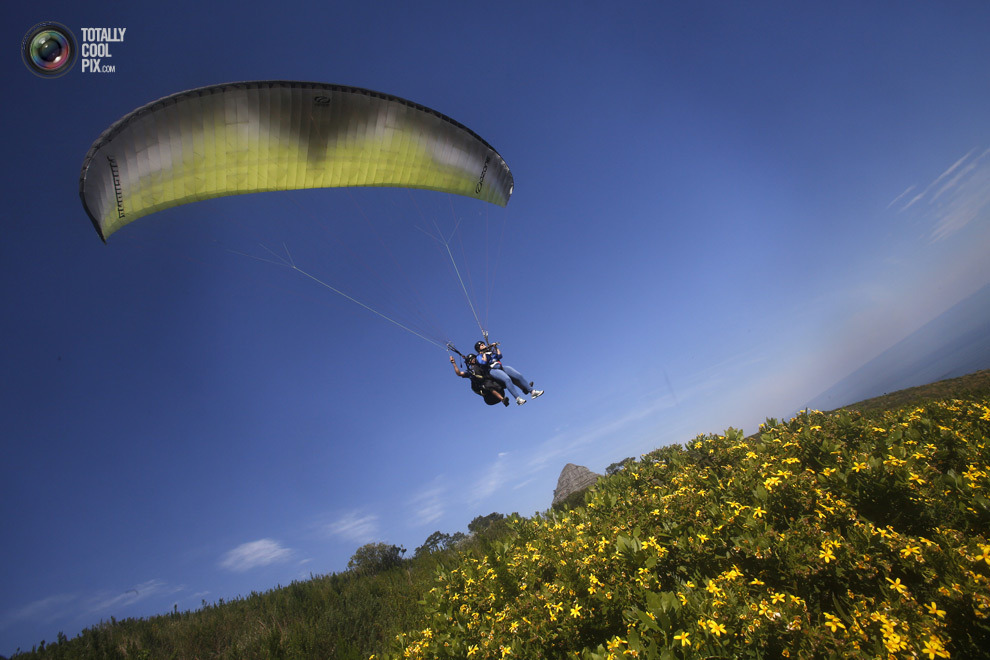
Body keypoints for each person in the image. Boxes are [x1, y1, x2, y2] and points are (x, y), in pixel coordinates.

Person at [474, 340, 544, 406]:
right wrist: (483, 353)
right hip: (492, 370)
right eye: (482, 345)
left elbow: (499, 356)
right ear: (478, 349)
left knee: (518, 375)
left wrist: (495, 347)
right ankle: (518, 399)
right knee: (507, 379)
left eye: (484, 344)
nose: (484, 346)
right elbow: (483, 362)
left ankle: (532, 392)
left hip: (500, 366)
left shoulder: (489, 353)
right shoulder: (479, 357)